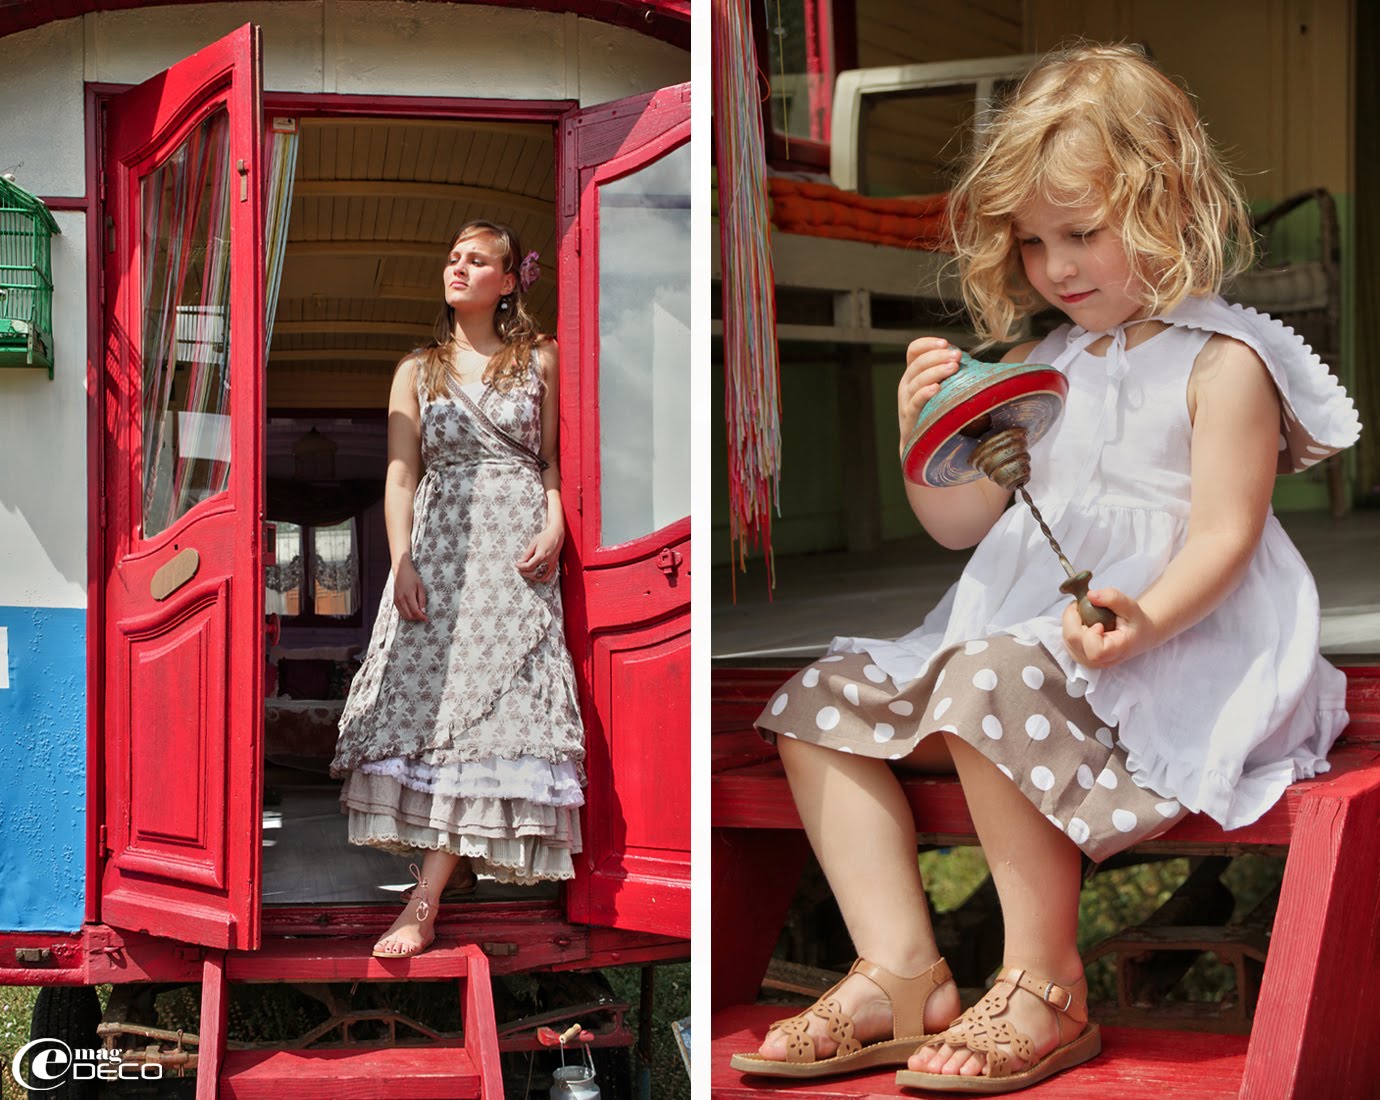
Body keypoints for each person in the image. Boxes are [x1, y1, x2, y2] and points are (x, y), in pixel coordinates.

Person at [731, 43, 1359, 1091]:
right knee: (813, 702)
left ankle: (1044, 979)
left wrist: (1149, 615)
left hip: (1173, 656)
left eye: (1083, 233)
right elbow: (964, 520)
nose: (1057, 267)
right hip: (1030, 656)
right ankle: (900, 965)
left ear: (1171, 206)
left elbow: (1225, 534)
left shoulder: (1223, 365)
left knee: (987, 680)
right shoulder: (1040, 368)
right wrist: (918, 439)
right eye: (1032, 243)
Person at [332, 220, 586, 959]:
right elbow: (401, 473)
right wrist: (400, 559)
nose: (459, 268)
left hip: (514, 556)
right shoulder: (417, 369)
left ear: (509, 280)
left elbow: (553, 461)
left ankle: (424, 903)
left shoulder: (541, 359)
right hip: (439, 555)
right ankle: (450, 872)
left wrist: (559, 523)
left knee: (491, 716)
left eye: (477, 260)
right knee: (436, 712)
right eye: (452, 258)